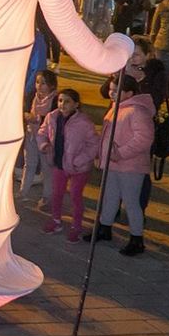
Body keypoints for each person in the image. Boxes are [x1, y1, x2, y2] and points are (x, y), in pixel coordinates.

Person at [84, 74, 154, 255]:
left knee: (131, 202)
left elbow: (144, 138)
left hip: (131, 166)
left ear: (129, 92)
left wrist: (120, 153)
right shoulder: (118, 107)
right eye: (111, 89)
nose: (112, 93)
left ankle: (137, 239)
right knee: (109, 197)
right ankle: (104, 227)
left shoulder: (137, 111)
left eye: (116, 91)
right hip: (113, 163)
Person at [38, 88, 99, 243]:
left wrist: (80, 160)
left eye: (67, 102)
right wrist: (44, 144)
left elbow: (93, 144)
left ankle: (76, 226)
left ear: (76, 105)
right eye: (60, 100)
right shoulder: (52, 117)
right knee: (57, 193)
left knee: (75, 196)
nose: (62, 104)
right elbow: (42, 133)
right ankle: (56, 220)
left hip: (78, 167)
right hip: (59, 163)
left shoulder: (84, 123)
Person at [21, 70, 57, 202]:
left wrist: (36, 118)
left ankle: (47, 196)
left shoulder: (55, 100)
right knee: (29, 164)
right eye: (37, 82)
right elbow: (25, 110)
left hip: (46, 139)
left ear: (52, 85)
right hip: (31, 134)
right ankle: (23, 192)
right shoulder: (32, 96)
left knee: (47, 168)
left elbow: (54, 120)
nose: (39, 86)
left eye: (43, 83)